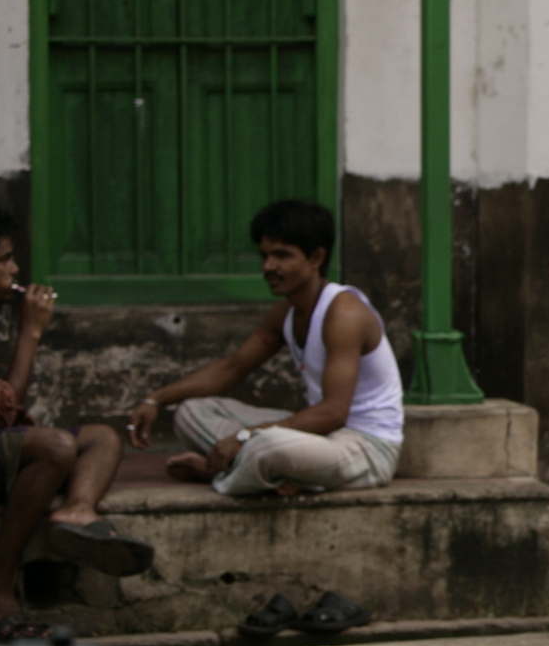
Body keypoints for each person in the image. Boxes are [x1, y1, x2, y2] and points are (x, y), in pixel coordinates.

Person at [0, 204, 142, 643]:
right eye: (5, 260)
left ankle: (77, 511)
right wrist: (30, 333)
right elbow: (0, 412)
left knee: (102, 439)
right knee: (54, 448)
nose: (15, 270)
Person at [127, 200, 405, 500]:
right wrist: (155, 400)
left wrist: (245, 436)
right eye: (265, 256)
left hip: (365, 449)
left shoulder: (344, 314)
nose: (268, 267)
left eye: (282, 256)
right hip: (318, 438)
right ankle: (271, 475)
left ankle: (221, 474)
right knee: (191, 412)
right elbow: (232, 368)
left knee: (265, 447)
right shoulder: (286, 313)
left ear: (316, 257)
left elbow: (333, 413)